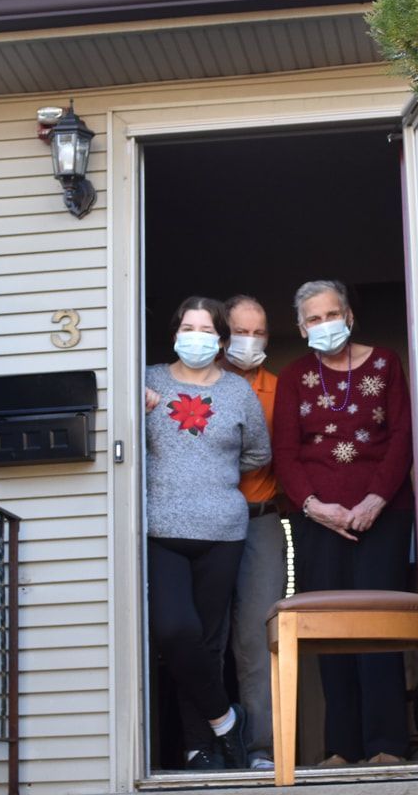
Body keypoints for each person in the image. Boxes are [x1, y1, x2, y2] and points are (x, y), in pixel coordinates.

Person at [272, 279, 414, 767]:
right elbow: (285, 454)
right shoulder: (292, 377)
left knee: (379, 626)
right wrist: (314, 507)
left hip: (384, 513)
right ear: (300, 327)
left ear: (349, 316)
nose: (324, 325)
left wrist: (374, 500)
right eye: (313, 319)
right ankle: (341, 747)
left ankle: (387, 744)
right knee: (330, 629)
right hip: (316, 520)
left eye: (331, 315)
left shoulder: (385, 364)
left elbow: (401, 438)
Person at [144, 295, 271, 770]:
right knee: (175, 631)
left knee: (209, 644)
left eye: (206, 330)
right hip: (161, 529)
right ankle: (225, 722)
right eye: (188, 327)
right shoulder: (147, 380)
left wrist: (208, 475)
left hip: (223, 531)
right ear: (176, 332)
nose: (196, 337)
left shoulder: (238, 392)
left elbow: (258, 453)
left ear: (220, 339)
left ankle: (199, 748)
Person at [221, 294, 284, 771]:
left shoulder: (280, 389)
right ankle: (204, 747)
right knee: (205, 637)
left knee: (258, 638)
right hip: (205, 525)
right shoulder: (194, 384)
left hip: (262, 520)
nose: (250, 340)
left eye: (258, 331)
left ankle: (261, 749)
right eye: (240, 330)